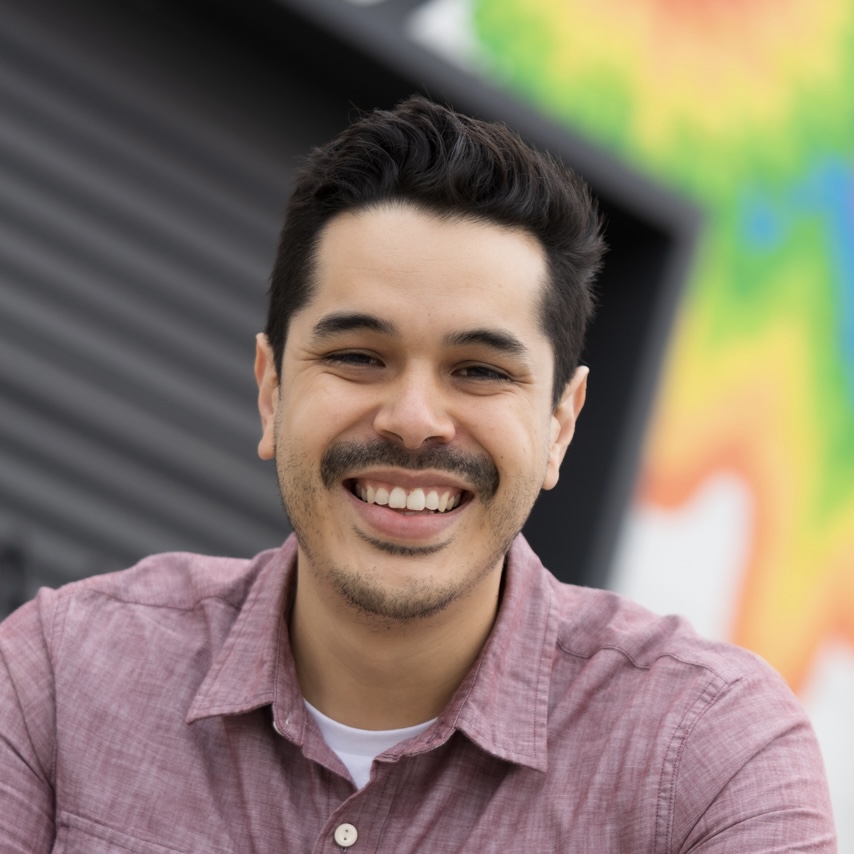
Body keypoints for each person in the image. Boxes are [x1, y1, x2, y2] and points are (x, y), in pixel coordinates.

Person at [0, 96, 835, 853]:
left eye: (479, 371)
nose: (413, 419)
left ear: (559, 425)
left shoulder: (706, 753)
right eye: (359, 356)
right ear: (271, 390)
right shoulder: (60, 675)